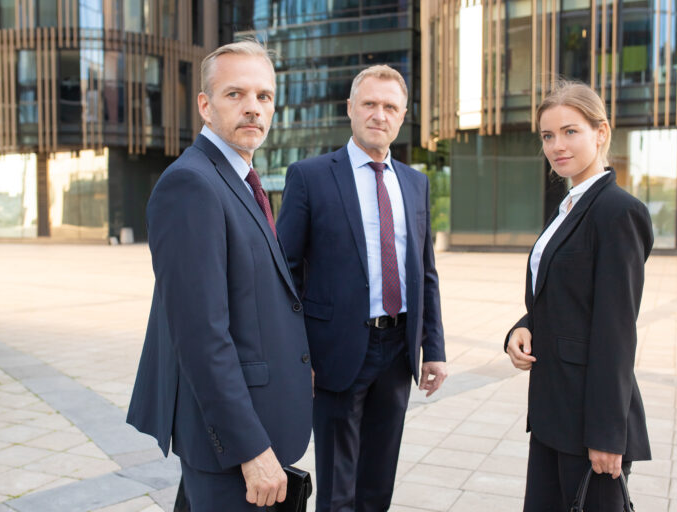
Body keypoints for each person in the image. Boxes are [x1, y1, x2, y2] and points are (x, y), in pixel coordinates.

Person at [126, 40, 313, 511]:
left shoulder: (240, 180)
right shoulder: (191, 184)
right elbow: (200, 336)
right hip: (233, 445)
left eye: (264, 96)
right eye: (235, 94)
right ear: (205, 106)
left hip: (253, 422)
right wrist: (250, 449)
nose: (253, 107)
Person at [276, 65, 447, 512]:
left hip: (399, 349)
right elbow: (285, 274)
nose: (379, 114)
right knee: (338, 488)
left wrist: (434, 348)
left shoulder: (415, 182)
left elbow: (425, 272)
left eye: (390, 107)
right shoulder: (310, 176)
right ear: (350, 108)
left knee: (378, 483)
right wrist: (297, 356)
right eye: (369, 103)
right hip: (335, 350)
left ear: (402, 116)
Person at [505, 81, 653, 511]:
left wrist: (607, 435)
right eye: (547, 135)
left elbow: (616, 330)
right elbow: (564, 296)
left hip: (589, 424)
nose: (557, 146)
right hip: (552, 412)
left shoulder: (618, 211)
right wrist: (523, 327)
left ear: (601, 132)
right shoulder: (568, 206)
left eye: (570, 131)